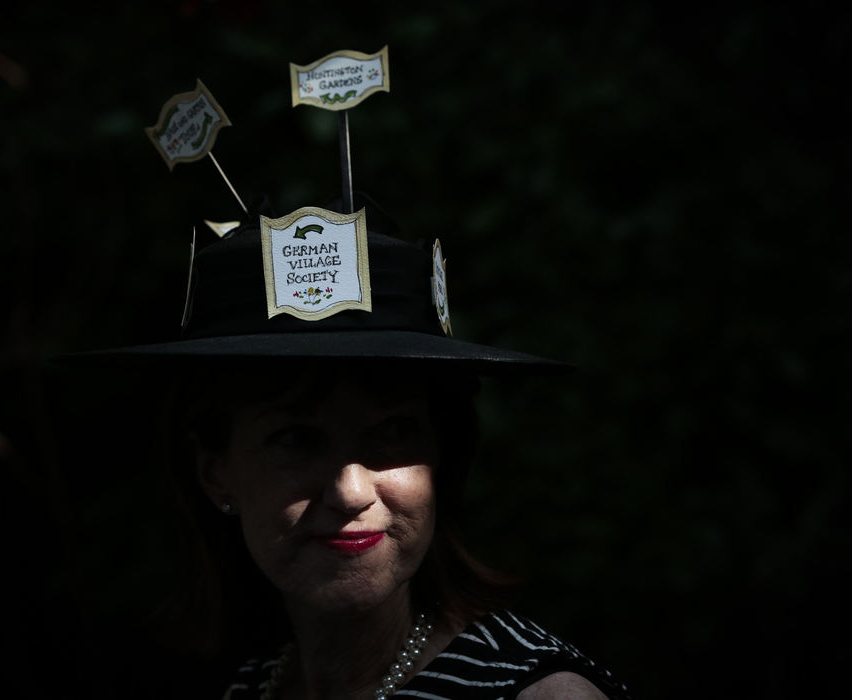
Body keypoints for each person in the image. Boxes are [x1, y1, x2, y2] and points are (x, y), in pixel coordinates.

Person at [68, 195, 631, 700]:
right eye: (296, 439)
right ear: (216, 471)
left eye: (391, 434)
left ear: (442, 456)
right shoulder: (251, 686)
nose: (350, 491)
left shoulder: (539, 695)